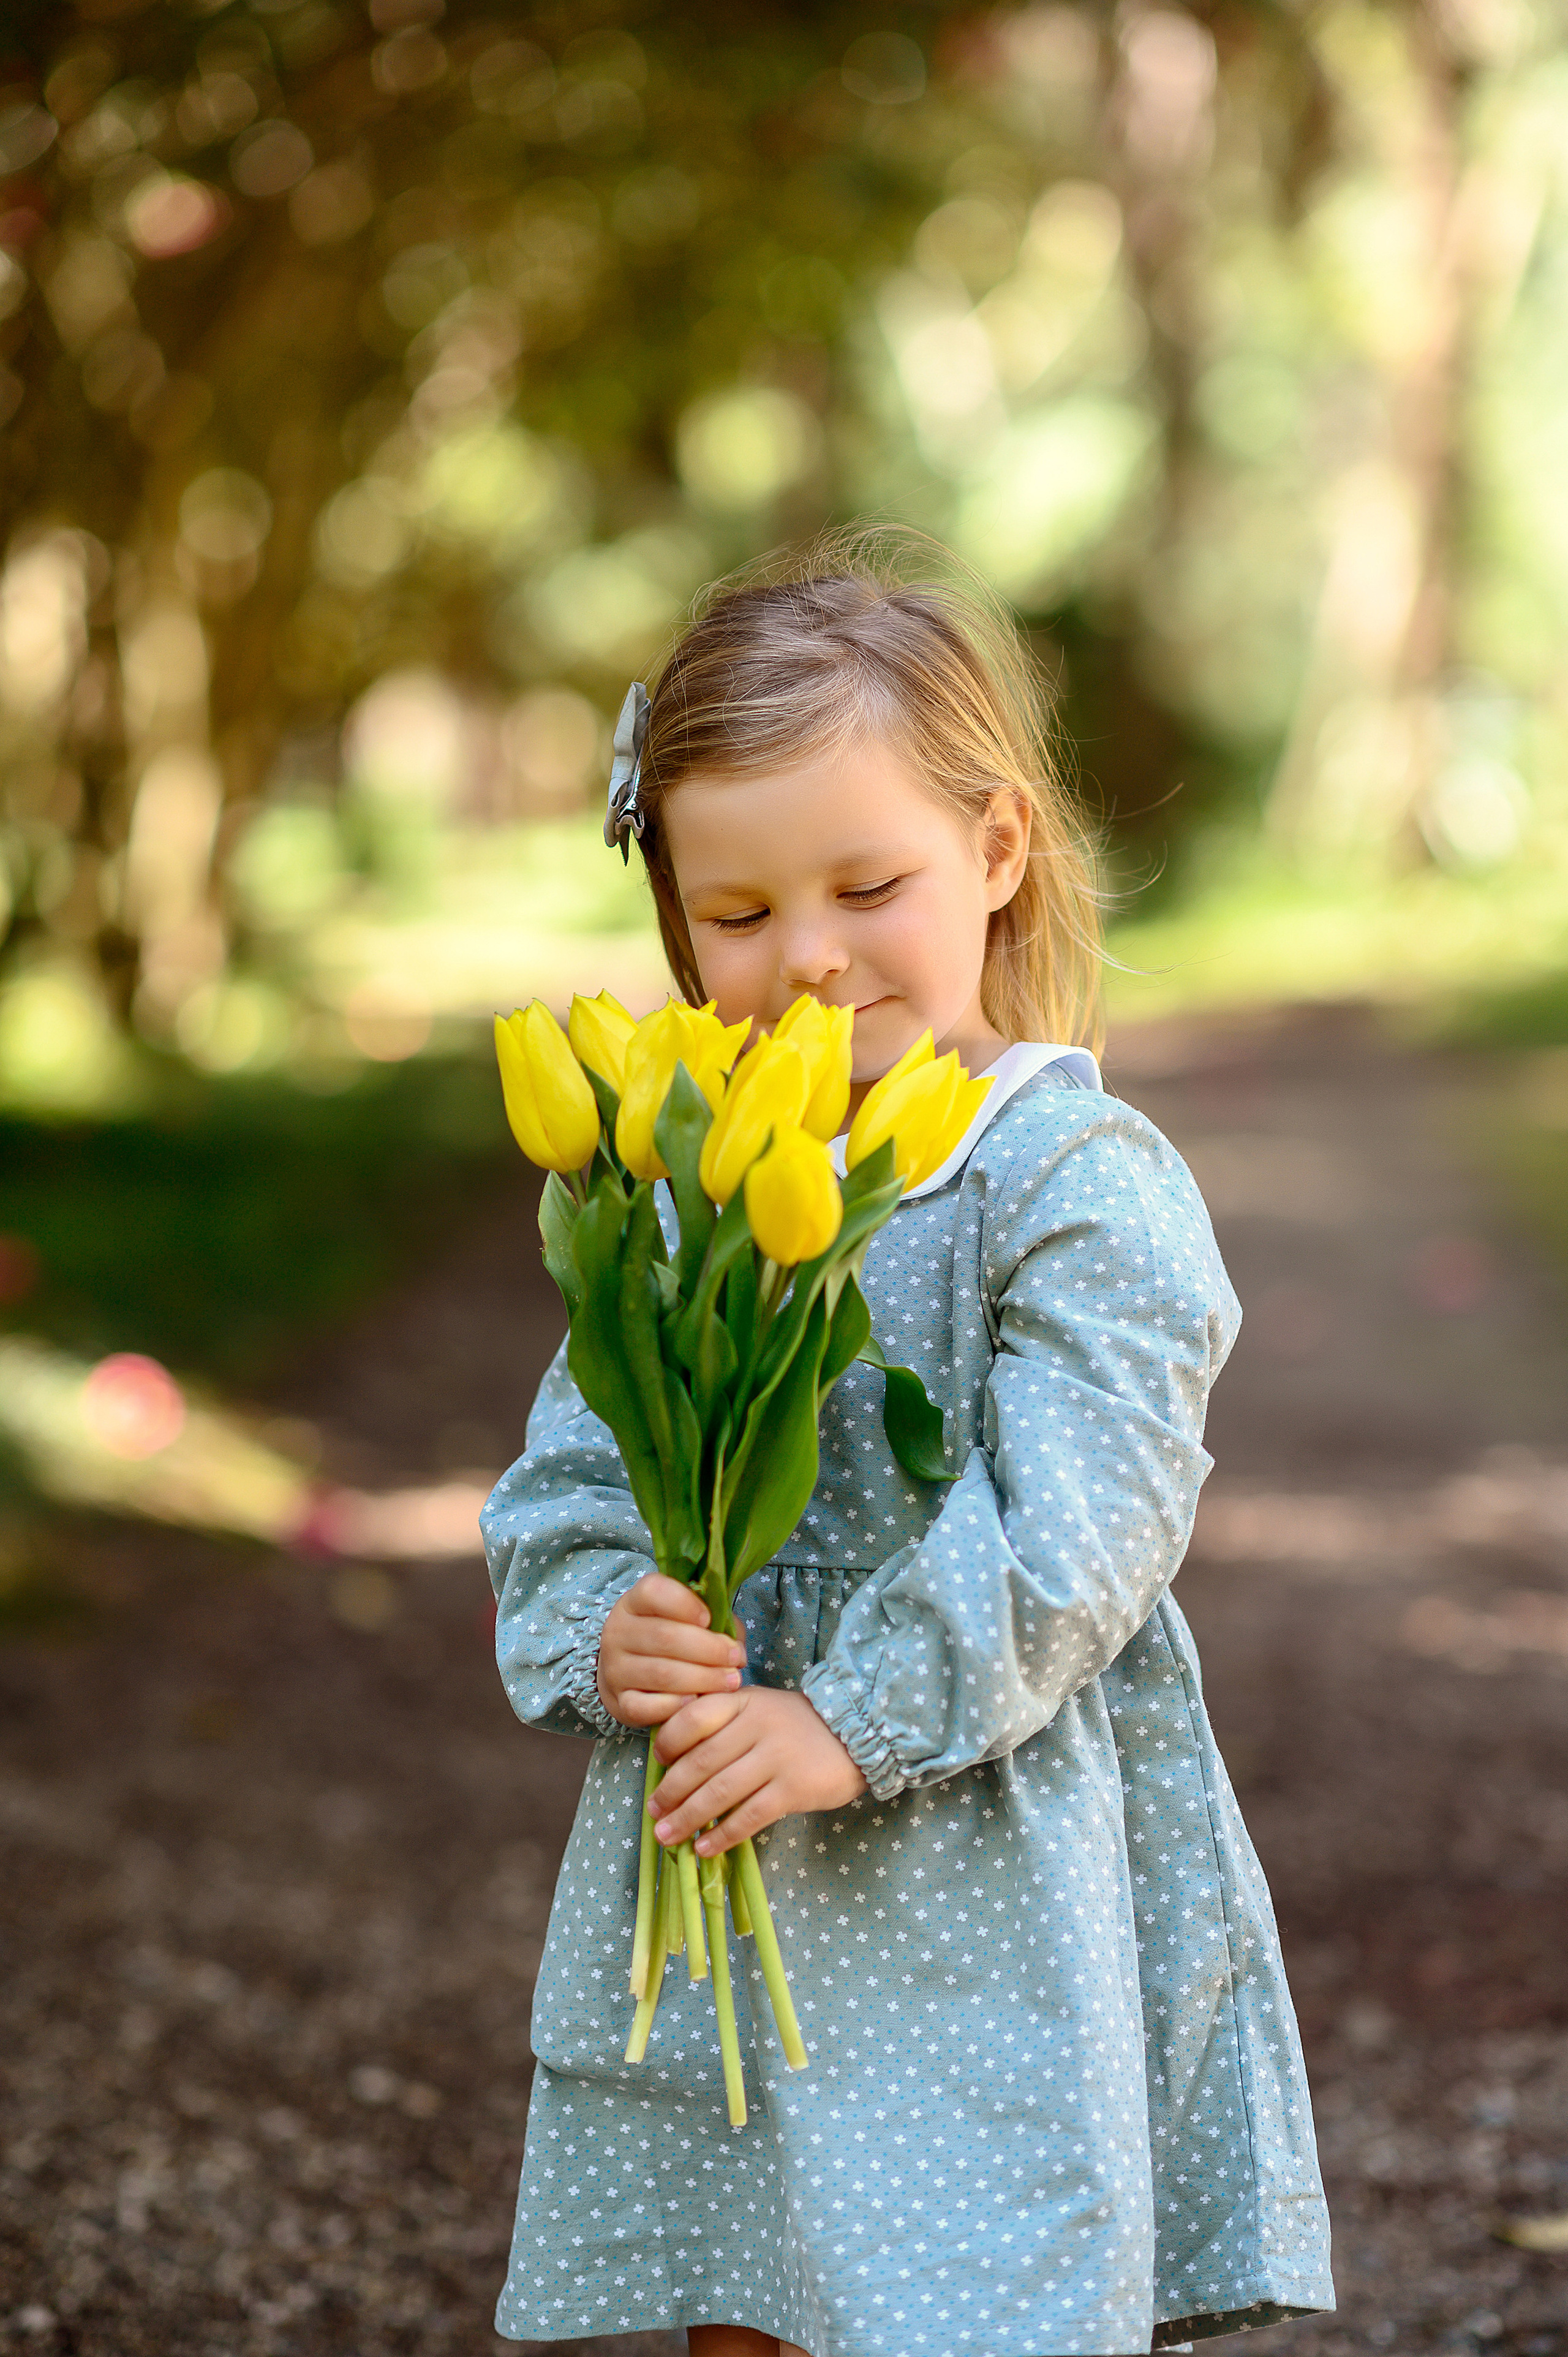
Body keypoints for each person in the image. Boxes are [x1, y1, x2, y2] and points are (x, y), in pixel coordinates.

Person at [481, 531, 1334, 2357]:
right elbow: (572, 1468)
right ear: (676, 914)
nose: (808, 962)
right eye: (738, 914)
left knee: (975, 2282)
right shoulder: (677, 1185)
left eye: (870, 884)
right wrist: (603, 1616)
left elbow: (1082, 1523)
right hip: (722, 1832)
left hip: (975, 1858)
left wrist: (850, 1719)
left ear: (999, 850)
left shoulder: (1068, 1180)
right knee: (750, 2281)